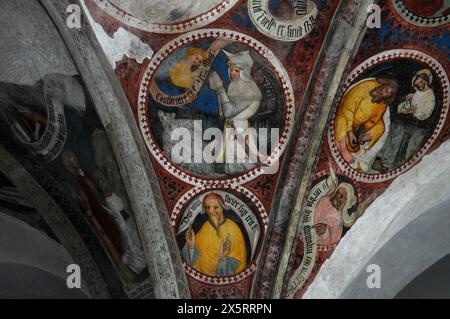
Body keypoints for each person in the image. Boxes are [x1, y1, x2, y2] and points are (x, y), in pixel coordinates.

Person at [62, 150, 124, 266]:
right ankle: (121, 265)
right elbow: (84, 202)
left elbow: (98, 188)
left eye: (73, 159)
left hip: (104, 207)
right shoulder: (77, 184)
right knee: (108, 240)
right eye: (69, 163)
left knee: (117, 232)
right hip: (96, 215)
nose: (73, 163)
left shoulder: (85, 175)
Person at [209, 50, 263, 173]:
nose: (233, 73)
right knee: (231, 166)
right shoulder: (234, 86)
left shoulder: (250, 89)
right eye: (231, 70)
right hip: (230, 128)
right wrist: (218, 92)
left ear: (243, 72)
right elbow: (223, 114)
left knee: (242, 165)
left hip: (239, 130)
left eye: (236, 70)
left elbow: (229, 113)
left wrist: (220, 89)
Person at [374, 69, 436, 172]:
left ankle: (394, 163)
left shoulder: (430, 94)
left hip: (418, 124)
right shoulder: (417, 93)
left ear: (426, 81)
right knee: (393, 133)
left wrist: (414, 111)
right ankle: (380, 160)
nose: (420, 85)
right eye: (417, 83)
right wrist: (405, 106)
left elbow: (427, 111)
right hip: (406, 120)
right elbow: (408, 105)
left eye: (421, 82)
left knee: (403, 141)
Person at [334, 78, 398, 172]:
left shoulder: (382, 104)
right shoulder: (368, 86)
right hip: (345, 114)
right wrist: (350, 131)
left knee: (381, 127)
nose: (386, 94)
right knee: (341, 119)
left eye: (389, 94)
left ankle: (363, 154)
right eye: (387, 90)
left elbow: (374, 121)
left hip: (357, 126)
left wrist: (366, 134)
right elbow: (348, 106)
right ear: (384, 84)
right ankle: (344, 150)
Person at [182, 192, 247, 276]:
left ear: (222, 208)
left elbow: (239, 266)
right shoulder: (205, 227)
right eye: (208, 208)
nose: (211, 211)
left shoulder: (233, 229)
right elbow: (189, 264)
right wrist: (191, 246)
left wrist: (223, 259)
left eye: (215, 207)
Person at [312, 183, 356, 247]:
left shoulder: (339, 220)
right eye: (338, 192)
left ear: (346, 202)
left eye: (341, 196)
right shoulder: (324, 201)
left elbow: (333, 241)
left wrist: (325, 231)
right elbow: (312, 215)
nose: (337, 196)